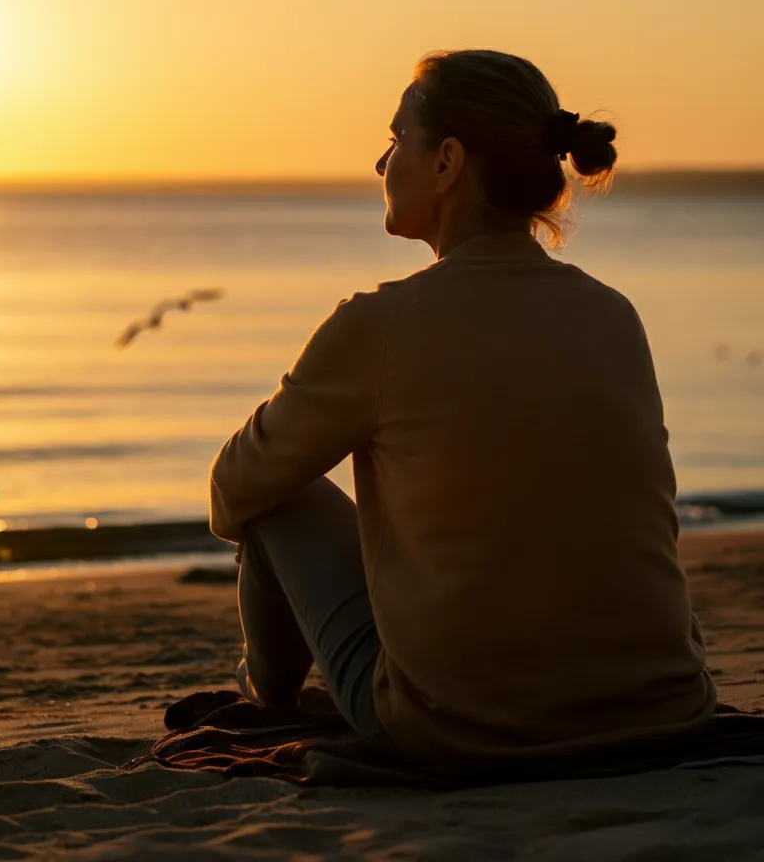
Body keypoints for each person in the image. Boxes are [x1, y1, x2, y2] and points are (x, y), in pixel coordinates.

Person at [208, 49, 716, 760]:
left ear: (447, 162)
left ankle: (269, 696)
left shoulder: (378, 327)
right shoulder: (613, 313)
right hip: (660, 703)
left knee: (275, 496)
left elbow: (232, 494)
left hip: (461, 723)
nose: (382, 166)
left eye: (395, 142)